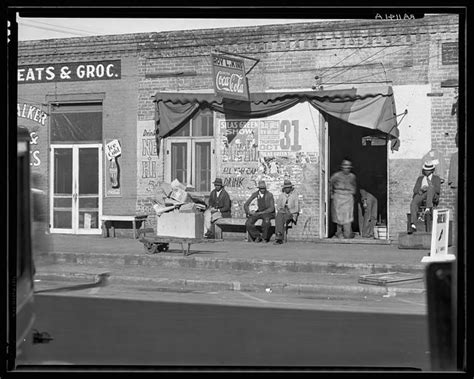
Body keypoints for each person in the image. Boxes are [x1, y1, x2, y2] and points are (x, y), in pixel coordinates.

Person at [408, 162, 441, 233]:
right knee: (413, 203)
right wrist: (421, 189)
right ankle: (414, 224)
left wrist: (429, 186)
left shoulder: (436, 178)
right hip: (422, 194)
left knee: (431, 188)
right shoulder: (420, 178)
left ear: (432, 170)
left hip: (432, 195)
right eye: (425, 170)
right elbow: (415, 190)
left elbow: (438, 190)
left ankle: (428, 208)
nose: (427, 171)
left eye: (429, 170)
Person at [329, 159, 357, 239]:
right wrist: (332, 194)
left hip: (348, 197)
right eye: (345, 166)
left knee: (348, 216)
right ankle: (339, 232)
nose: (347, 168)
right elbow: (330, 185)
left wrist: (352, 193)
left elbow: (354, 186)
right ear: (342, 166)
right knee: (338, 216)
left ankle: (347, 233)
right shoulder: (336, 176)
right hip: (338, 196)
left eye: (348, 166)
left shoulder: (352, 176)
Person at [273, 180, 300, 245]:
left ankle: (279, 237)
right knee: (279, 217)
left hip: (291, 213)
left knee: (281, 218)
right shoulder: (282, 196)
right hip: (282, 212)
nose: (287, 189)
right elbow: (278, 206)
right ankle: (279, 238)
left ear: (290, 188)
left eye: (288, 188)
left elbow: (297, 208)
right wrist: (281, 210)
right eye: (286, 188)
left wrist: (289, 211)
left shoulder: (294, 196)